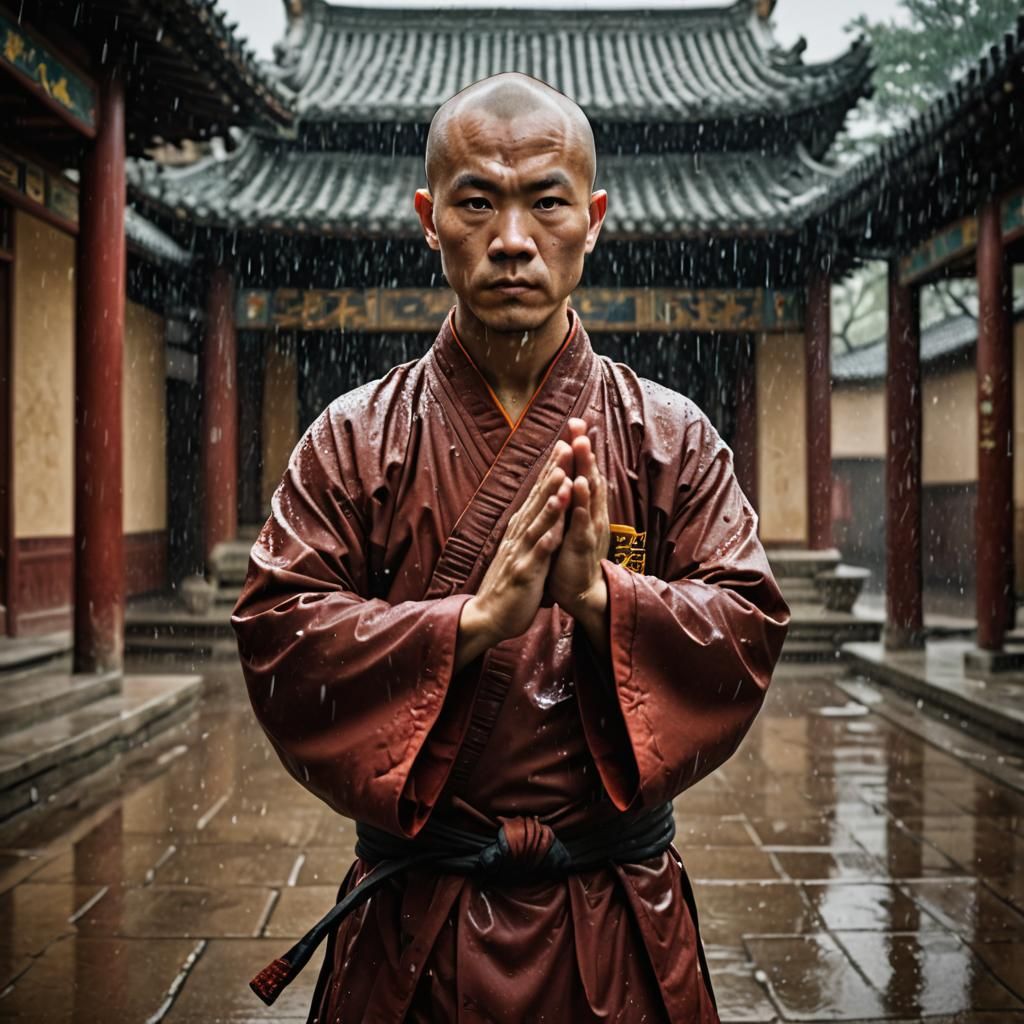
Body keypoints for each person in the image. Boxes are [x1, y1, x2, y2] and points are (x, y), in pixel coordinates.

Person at [231, 72, 790, 1024]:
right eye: (478, 201)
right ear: (428, 215)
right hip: (417, 925)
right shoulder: (353, 436)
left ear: (595, 216)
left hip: (615, 916)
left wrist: (606, 600)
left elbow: (748, 618)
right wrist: (472, 622)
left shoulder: (671, 435)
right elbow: (280, 632)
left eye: (547, 201)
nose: (515, 240)